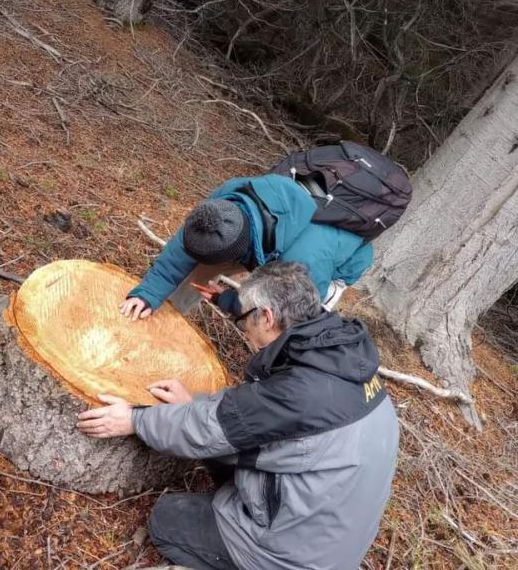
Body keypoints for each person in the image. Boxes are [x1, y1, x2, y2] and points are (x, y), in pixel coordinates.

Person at [78, 262, 399, 570]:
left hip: (291, 557)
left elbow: (215, 427)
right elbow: (250, 420)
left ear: (268, 317)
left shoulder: (299, 394)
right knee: (224, 449)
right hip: (329, 536)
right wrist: (192, 405)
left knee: (167, 518)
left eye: (245, 319)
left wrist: (135, 419)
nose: (243, 328)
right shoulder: (341, 356)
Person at [120, 174, 373, 320]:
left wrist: (231, 302)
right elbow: (183, 249)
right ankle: (162, 318)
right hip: (269, 236)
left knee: (273, 322)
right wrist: (148, 293)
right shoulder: (229, 198)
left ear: (237, 256)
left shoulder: (301, 263)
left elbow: (296, 318)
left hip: (335, 265)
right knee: (191, 274)